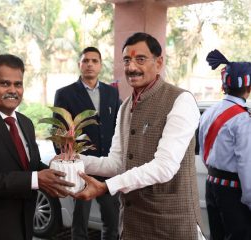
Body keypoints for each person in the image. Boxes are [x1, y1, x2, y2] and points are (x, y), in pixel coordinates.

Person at [73, 32, 204, 240]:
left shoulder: (180, 100)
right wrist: (75, 161)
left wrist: (107, 186)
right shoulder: (125, 107)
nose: (131, 67)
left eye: (140, 59)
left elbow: (164, 167)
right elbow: (116, 163)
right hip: (132, 224)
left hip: (170, 225)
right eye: (127, 60)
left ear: (159, 62)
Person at [0, 54, 74, 240]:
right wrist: (35, 179)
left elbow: (29, 166)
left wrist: (57, 169)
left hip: (25, 226)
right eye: (5, 83)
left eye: (18, 84)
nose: (13, 90)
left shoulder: (25, 123)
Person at [54, 46, 120, 240]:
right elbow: (59, 131)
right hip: (80, 166)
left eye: (94, 61)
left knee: (112, 220)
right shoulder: (65, 93)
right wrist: (67, 163)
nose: (90, 64)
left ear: (100, 65)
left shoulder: (111, 93)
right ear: (79, 65)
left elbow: (118, 127)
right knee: (80, 220)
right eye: (86, 61)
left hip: (108, 166)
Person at [198, 49, 251, 240]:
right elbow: (246, 164)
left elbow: (204, 152)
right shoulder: (243, 119)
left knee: (217, 235)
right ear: (249, 87)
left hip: (212, 184)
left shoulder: (209, 112)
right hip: (234, 191)